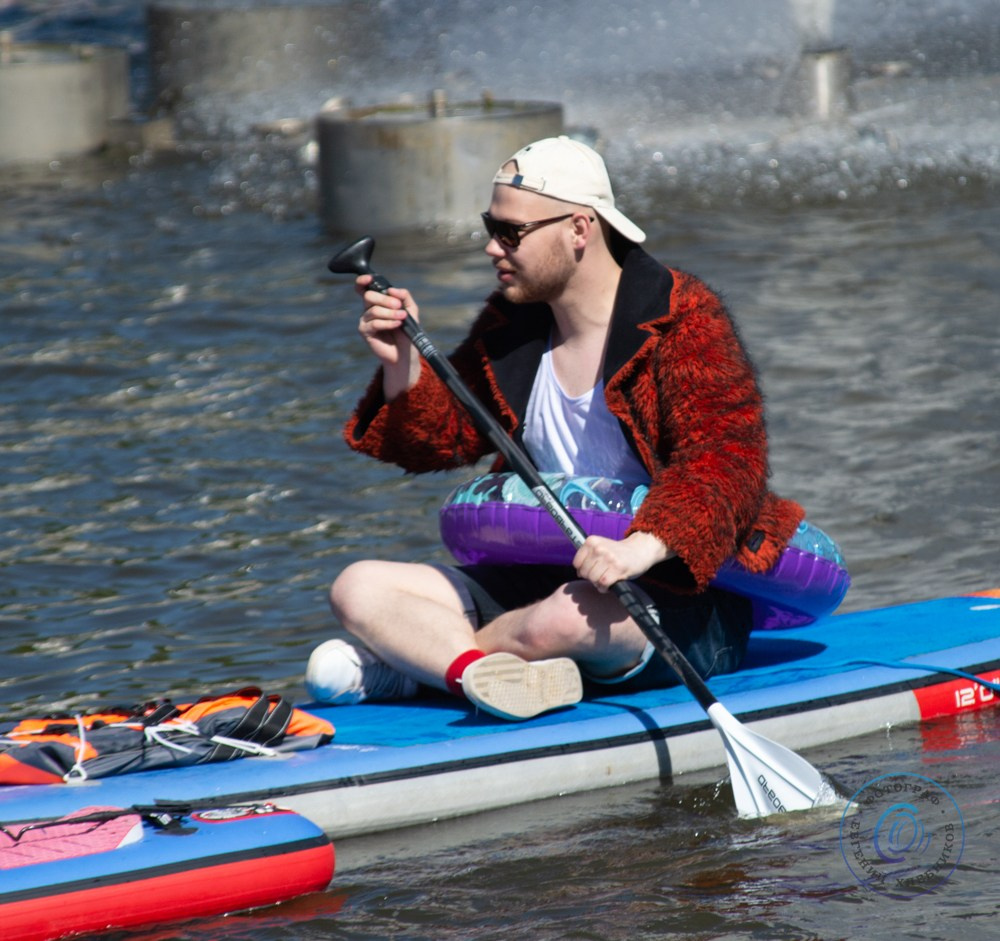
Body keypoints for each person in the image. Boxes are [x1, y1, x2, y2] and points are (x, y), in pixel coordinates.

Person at [306, 135, 805, 721]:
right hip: (541, 575)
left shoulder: (682, 319)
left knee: (562, 617)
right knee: (358, 586)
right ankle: (474, 674)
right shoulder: (512, 324)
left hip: (676, 592)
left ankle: (415, 664)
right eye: (490, 226)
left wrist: (637, 550)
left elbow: (727, 462)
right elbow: (443, 441)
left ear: (579, 228)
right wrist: (401, 362)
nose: (493, 247)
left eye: (511, 232)